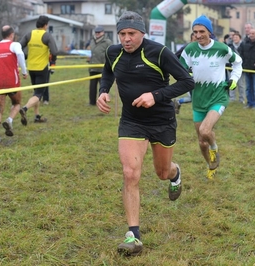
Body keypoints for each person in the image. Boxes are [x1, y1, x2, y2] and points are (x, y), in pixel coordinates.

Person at [96, 11, 194, 256]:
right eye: (122, 34)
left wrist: (156, 95)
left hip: (161, 120)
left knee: (162, 172)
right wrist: (104, 90)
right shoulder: (113, 52)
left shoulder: (158, 52)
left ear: (142, 33)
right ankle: (134, 235)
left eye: (131, 34)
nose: (126, 39)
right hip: (131, 121)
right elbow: (107, 72)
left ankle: (175, 172)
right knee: (130, 173)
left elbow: (187, 81)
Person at [180, 15, 242, 180]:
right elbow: (180, 69)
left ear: (210, 31)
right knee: (201, 141)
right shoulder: (190, 49)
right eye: (195, 32)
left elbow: (238, 63)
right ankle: (210, 164)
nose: (198, 35)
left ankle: (215, 148)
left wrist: (234, 80)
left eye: (202, 31)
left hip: (218, 97)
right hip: (198, 98)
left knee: (205, 130)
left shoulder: (221, 48)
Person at [0, 25, 28, 145]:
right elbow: (20, 55)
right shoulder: (15, 44)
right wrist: (24, 72)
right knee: (16, 103)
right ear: (12, 35)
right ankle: (9, 120)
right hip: (12, 81)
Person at [19, 15, 58, 125]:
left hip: (31, 67)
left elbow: (18, 47)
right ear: (45, 25)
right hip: (42, 68)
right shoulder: (47, 36)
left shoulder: (29, 34)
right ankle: (25, 108)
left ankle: (37, 116)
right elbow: (54, 52)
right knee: (39, 94)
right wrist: (53, 61)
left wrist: (25, 56)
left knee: (36, 93)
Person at [88, 25, 112, 106]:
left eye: (99, 32)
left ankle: (103, 103)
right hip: (93, 67)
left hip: (103, 68)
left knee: (103, 87)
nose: (97, 34)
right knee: (92, 87)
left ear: (103, 33)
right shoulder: (92, 41)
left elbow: (110, 54)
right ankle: (92, 102)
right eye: (96, 32)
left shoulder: (107, 42)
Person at [173, 32, 196, 114]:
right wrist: (183, 69)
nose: (197, 39)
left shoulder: (201, 48)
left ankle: (178, 102)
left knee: (197, 97)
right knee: (194, 98)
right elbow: (175, 57)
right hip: (189, 76)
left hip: (200, 75)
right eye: (194, 38)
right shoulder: (186, 47)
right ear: (191, 39)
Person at [241, 28, 255, 109]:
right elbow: (241, 54)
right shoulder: (244, 43)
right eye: (250, 33)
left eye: (253, 33)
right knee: (248, 88)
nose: (251, 35)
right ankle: (249, 103)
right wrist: (243, 64)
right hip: (247, 68)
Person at [229, 32, 246, 104]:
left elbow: (245, 56)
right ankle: (232, 98)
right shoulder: (230, 46)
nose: (235, 38)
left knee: (241, 84)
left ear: (240, 38)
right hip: (231, 68)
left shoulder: (244, 46)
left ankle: (242, 99)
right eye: (234, 37)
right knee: (231, 83)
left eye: (237, 37)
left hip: (240, 67)